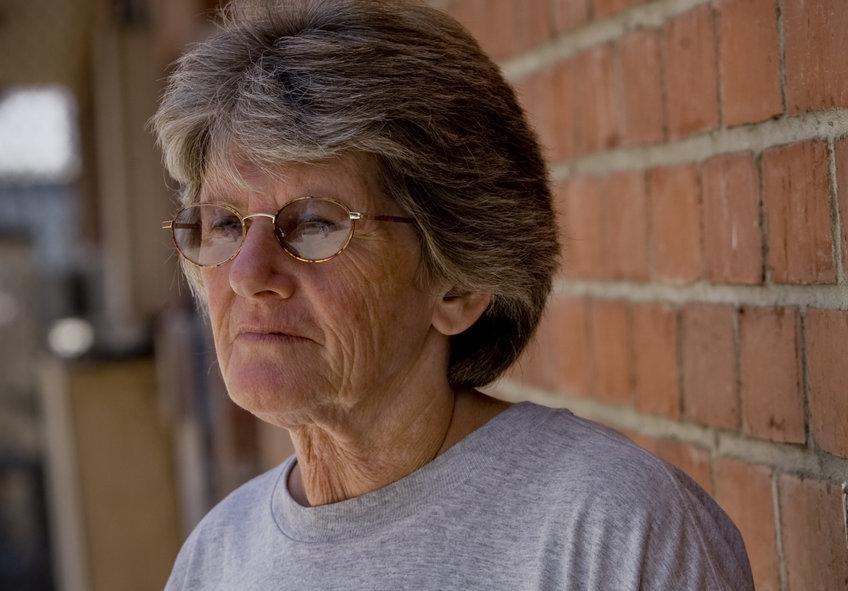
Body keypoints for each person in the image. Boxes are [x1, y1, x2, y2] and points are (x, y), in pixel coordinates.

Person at [153, 0, 753, 588]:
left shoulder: (609, 530)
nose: (247, 273)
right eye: (225, 225)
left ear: (460, 282)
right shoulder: (216, 558)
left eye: (314, 224)